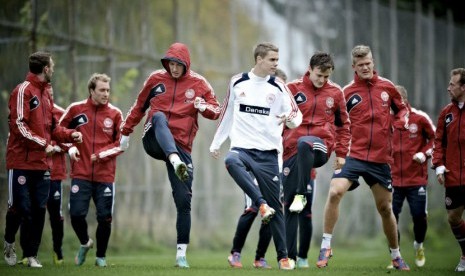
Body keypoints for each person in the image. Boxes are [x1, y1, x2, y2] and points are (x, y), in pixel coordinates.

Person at [120, 42, 220, 268]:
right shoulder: (155, 79)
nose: (174, 69)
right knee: (158, 116)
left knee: (184, 201)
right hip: (153, 138)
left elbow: (217, 110)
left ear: (186, 64)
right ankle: (174, 160)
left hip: (182, 146)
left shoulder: (200, 83)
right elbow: (139, 106)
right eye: (171, 64)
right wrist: (125, 133)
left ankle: (181, 255)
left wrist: (203, 106)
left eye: (178, 65)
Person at [315, 45, 410, 270]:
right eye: (361, 65)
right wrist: (336, 147)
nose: (365, 67)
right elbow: (336, 123)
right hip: (353, 155)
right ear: (354, 67)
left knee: (385, 208)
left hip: (380, 158)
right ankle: (326, 245)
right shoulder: (346, 92)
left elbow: (403, 110)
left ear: (373, 62)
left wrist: (400, 121)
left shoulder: (388, 88)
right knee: (335, 190)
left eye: (368, 63)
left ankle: (396, 255)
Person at [210, 42, 302, 270]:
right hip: (242, 148)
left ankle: (282, 258)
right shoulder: (237, 82)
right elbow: (227, 113)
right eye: (272, 60)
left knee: (276, 207)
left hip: (269, 155)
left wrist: (288, 119)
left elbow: (296, 115)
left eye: (277, 60)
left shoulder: (279, 86)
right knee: (231, 160)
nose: (276, 64)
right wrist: (216, 142)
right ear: (259, 59)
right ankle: (259, 208)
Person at [4, 51, 82, 268]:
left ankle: (31, 255)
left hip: (42, 164)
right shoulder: (23, 91)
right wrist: (43, 144)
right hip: (20, 162)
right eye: (52, 66)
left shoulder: (47, 93)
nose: (54, 69)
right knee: (20, 208)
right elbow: (19, 125)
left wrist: (70, 135)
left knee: (39, 209)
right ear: (45, 69)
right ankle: (9, 242)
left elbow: (53, 129)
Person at [282, 52, 351, 268]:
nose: (322, 80)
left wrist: (341, 153)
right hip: (291, 152)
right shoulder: (292, 89)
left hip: (321, 147)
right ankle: (291, 258)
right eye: (319, 75)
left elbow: (344, 126)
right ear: (310, 69)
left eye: (326, 76)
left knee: (306, 143)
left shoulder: (336, 93)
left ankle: (303, 194)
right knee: (290, 205)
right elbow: (277, 119)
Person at [59, 73, 124, 267]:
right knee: (76, 214)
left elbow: (121, 143)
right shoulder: (75, 109)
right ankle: (85, 243)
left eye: (108, 90)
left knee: (105, 218)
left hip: (105, 175)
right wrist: (71, 143)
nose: (106, 94)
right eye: (102, 90)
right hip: (81, 173)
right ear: (91, 91)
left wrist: (101, 155)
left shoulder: (115, 114)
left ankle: (101, 257)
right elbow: (58, 131)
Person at [227, 68, 288, 269]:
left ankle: (259, 258)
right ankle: (235, 253)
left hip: (274, 166)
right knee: (253, 208)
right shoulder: (256, 102)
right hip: (252, 162)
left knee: (274, 208)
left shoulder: (285, 107)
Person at [390, 85, 435, 268]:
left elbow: (436, 139)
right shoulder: (386, 121)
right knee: (391, 218)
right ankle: (396, 256)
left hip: (416, 179)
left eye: (396, 98)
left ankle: (419, 245)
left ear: (403, 100)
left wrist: (424, 154)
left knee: (419, 216)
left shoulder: (420, 118)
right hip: (392, 179)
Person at [432, 68, 465, 272]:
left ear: (463, 87)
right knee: (453, 217)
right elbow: (438, 142)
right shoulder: (446, 113)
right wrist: (439, 165)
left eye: (452, 84)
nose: (448, 88)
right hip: (453, 175)